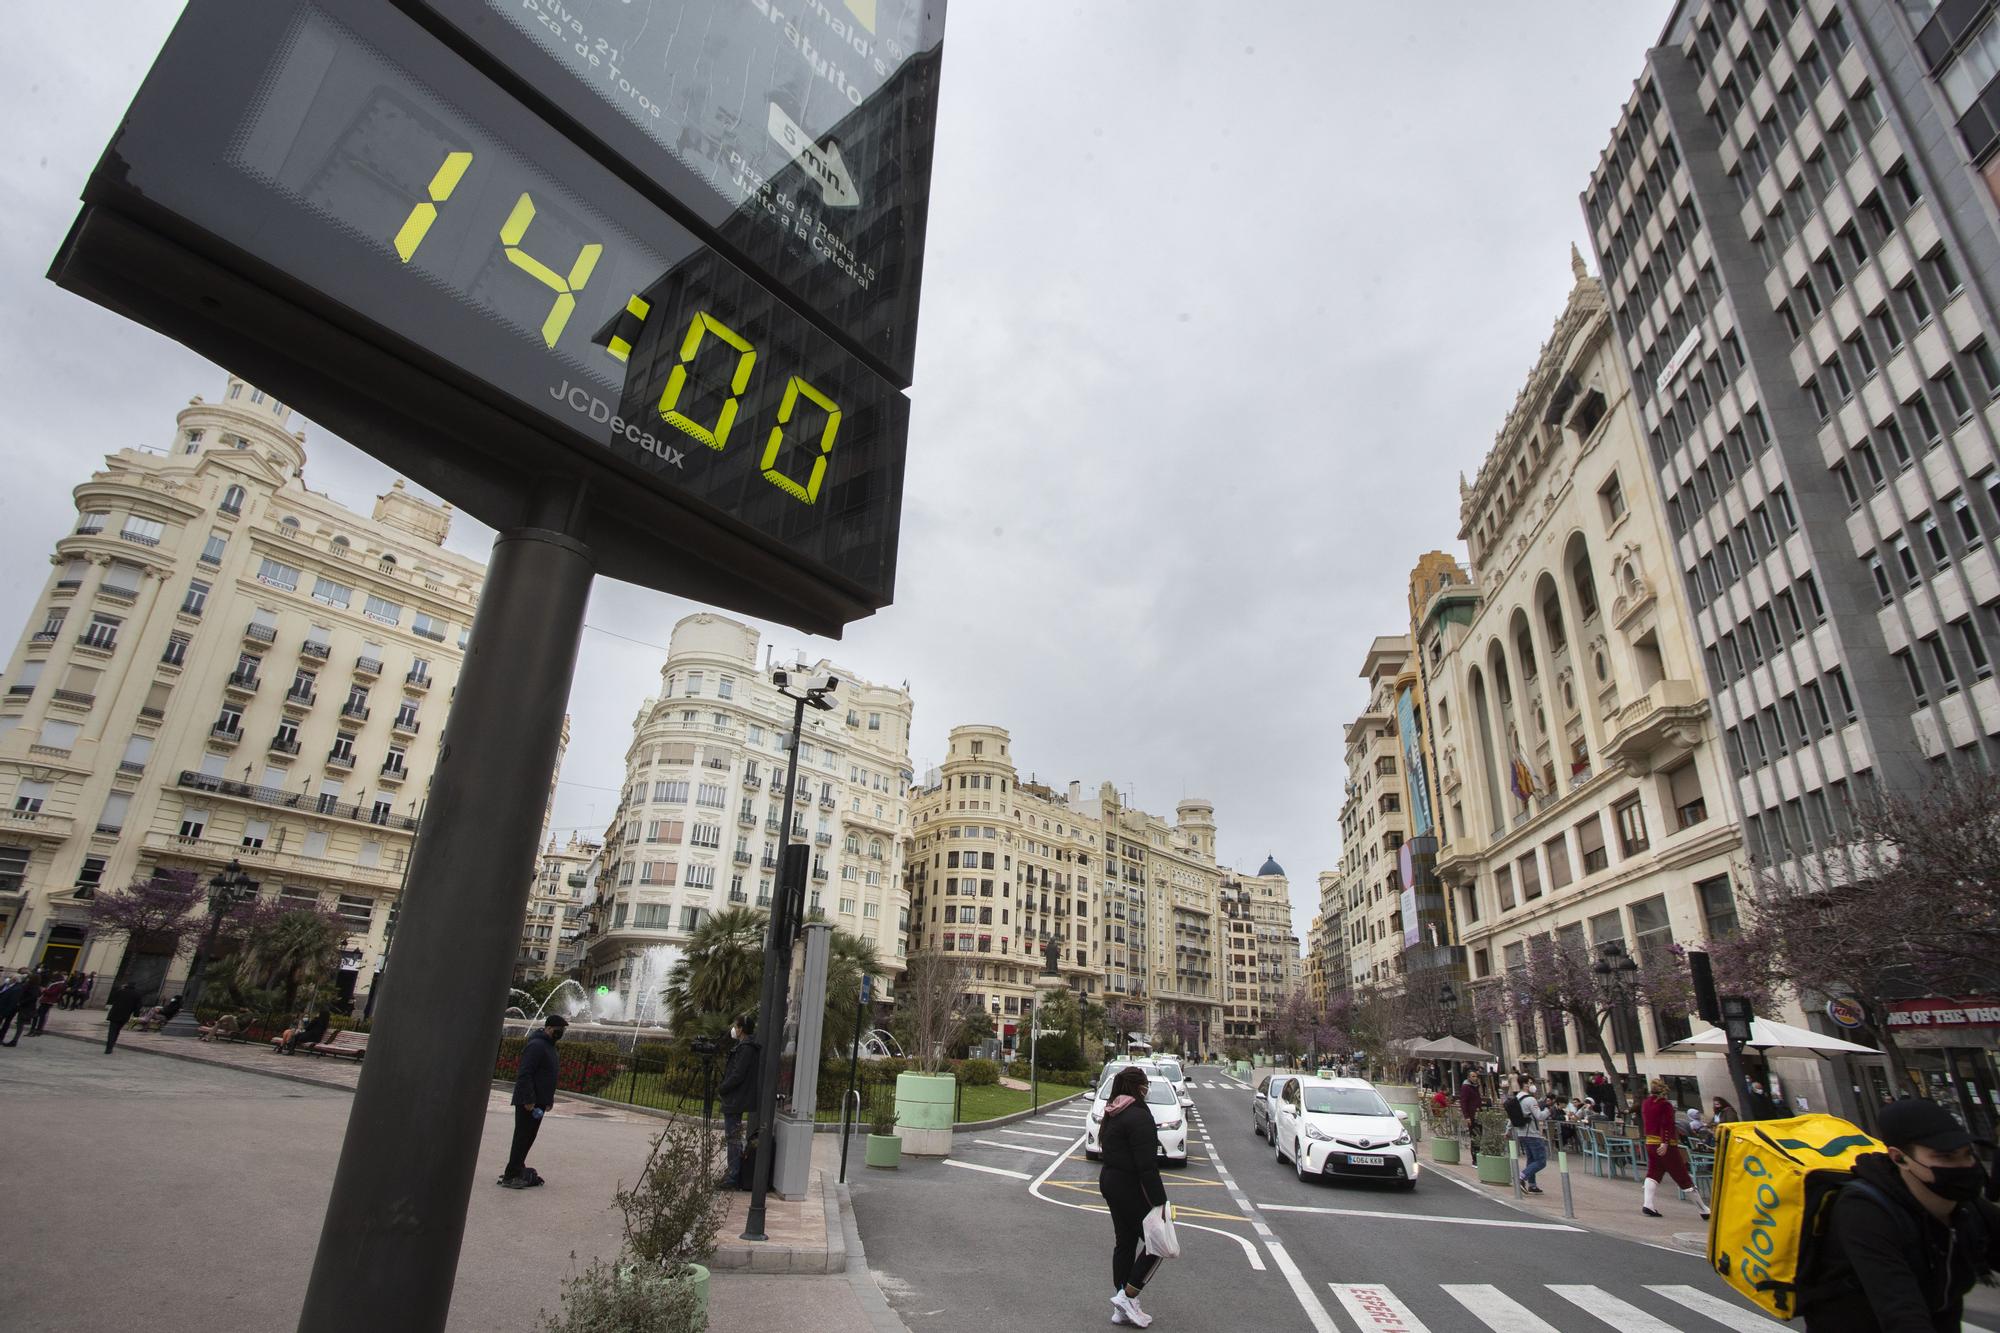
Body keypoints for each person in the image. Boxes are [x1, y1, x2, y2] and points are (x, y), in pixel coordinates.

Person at [1800, 1098, 1998, 1332]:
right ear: (1899, 1158)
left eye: (1968, 1154)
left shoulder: (1968, 1206)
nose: (1964, 1165)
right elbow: (1900, 1312)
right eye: (1945, 1157)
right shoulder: (1863, 1212)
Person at [1097, 1065, 1169, 1328]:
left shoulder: (1114, 1111)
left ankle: (1121, 1301)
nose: (1147, 1088)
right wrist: (1160, 1201)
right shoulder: (1138, 1115)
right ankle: (1128, 1296)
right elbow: (1146, 1165)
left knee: (1125, 1242)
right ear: (1139, 1087)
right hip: (1129, 1186)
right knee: (1158, 1244)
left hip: (1110, 1182)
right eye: (1145, 1084)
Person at [501, 1014, 565, 1188]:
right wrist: (529, 1098)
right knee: (522, 1136)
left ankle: (517, 1167)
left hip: (540, 1102)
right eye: (560, 1029)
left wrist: (548, 1099)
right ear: (550, 1028)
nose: (562, 1033)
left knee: (529, 1136)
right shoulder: (537, 1045)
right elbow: (525, 1073)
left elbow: (548, 1075)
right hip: (529, 1102)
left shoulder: (549, 1046)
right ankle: (511, 1174)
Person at [1639, 1080, 1708, 1221]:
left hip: (1650, 1143)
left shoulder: (1646, 1103)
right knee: (1682, 1175)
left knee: (1653, 1173)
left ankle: (1648, 1204)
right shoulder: (1665, 1105)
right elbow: (1666, 1124)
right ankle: (1703, 1209)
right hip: (1666, 1145)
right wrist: (1664, 1142)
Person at [717, 1014, 761, 1189]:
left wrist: (723, 1088)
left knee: (733, 1138)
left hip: (736, 1099)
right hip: (736, 1098)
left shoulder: (746, 1049)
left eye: (736, 1026)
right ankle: (733, 1174)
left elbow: (738, 1075)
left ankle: (733, 1177)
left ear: (742, 1029)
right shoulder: (744, 1047)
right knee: (733, 1137)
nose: (734, 1029)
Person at [1515, 1079, 1550, 1194]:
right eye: (1529, 1083)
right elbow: (1539, 1116)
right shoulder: (1530, 1099)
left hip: (1521, 1132)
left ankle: (1532, 1185)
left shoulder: (1517, 1098)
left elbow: (1512, 1116)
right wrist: (1548, 1110)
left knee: (1531, 1159)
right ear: (1525, 1085)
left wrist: (1508, 1130)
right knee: (1541, 1161)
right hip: (1532, 1133)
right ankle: (1521, 1177)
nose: (1532, 1085)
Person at [1, 972, 41, 1045]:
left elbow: (32, 997)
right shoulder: (30, 986)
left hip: (24, 1008)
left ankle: (14, 1041)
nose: (27, 979)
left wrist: (21, 1002)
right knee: (18, 1024)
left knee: (19, 1024)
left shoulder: (31, 987)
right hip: (22, 1007)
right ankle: (13, 1040)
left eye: (29, 978)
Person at [103, 981, 143, 1054]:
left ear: (126, 985)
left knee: (112, 1031)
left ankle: (109, 1047)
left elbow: (112, 998)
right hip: (125, 1015)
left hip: (114, 1014)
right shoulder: (137, 994)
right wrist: (136, 1015)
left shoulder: (120, 991)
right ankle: (111, 1045)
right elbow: (138, 1006)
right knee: (117, 1030)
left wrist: (121, 989)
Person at [1459, 1073, 1485, 1160]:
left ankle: (1478, 1155)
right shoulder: (1466, 1087)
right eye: (1473, 1076)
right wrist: (1467, 1116)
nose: (1475, 1078)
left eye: (1476, 1076)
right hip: (1472, 1115)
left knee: (1479, 1135)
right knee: (1474, 1136)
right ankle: (1475, 1159)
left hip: (1478, 1114)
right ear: (1468, 1077)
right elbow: (1463, 1102)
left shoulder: (1475, 1086)